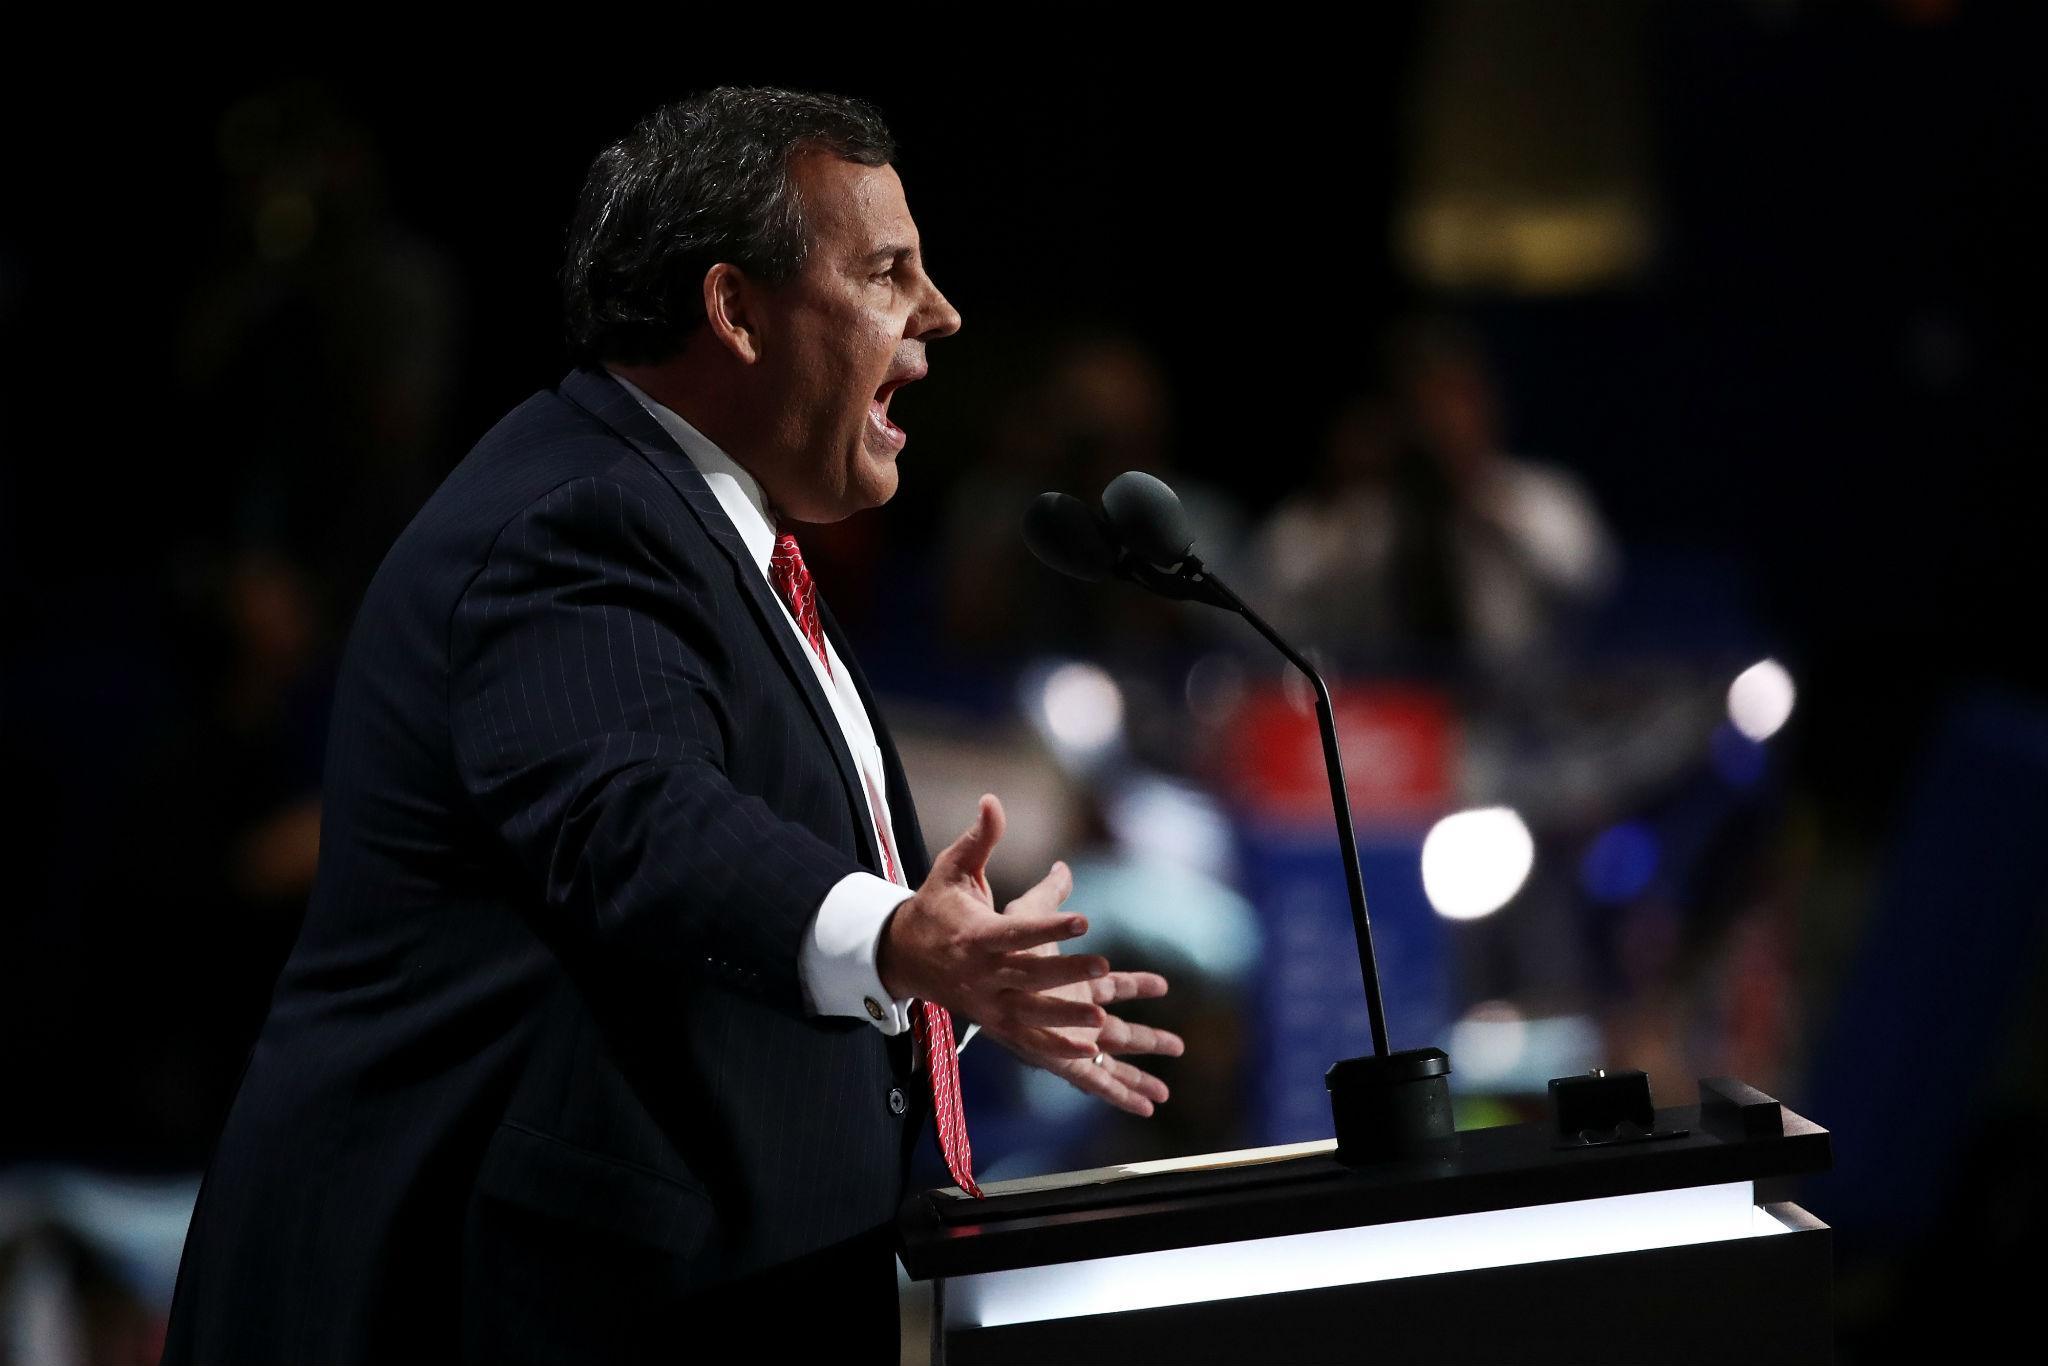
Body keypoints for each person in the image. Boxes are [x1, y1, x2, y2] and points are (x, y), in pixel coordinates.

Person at [161, 86, 1183, 1364]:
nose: (939, 314)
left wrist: (943, 972)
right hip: (487, 1303)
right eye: (886, 271)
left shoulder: (714, 539)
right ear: (734, 311)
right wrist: (900, 940)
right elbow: (632, 817)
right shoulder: (575, 519)